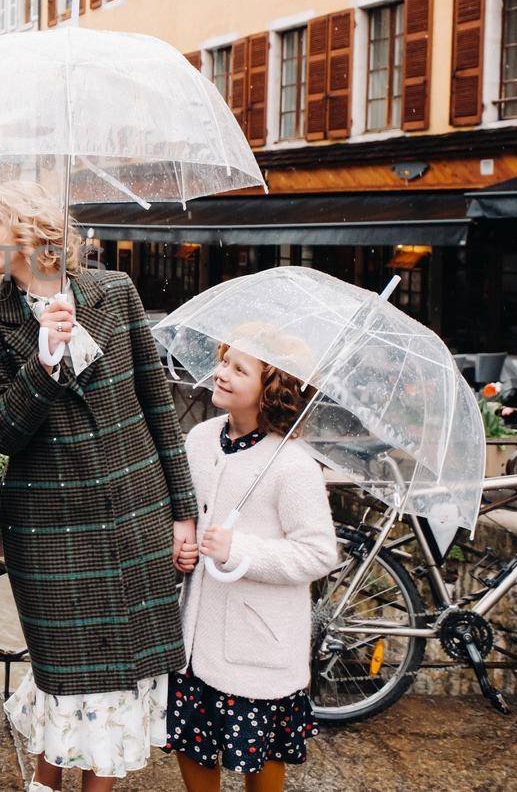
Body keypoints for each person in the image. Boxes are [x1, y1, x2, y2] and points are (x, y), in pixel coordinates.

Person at [0, 181, 198, 792]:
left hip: (133, 518)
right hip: (51, 534)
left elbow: (159, 406)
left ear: (29, 228)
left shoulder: (114, 292)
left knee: (119, 685)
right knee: (65, 682)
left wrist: (184, 513)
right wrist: (43, 362)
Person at [169, 338, 339, 792]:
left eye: (239, 369)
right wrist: (183, 544)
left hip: (258, 646)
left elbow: (319, 552)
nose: (221, 373)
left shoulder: (293, 466)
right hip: (194, 639)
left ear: (271, 389)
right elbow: (185, 515)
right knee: (191, 743)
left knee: (256, 756)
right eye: (224, 362)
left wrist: (239, 550)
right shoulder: (200, 439)